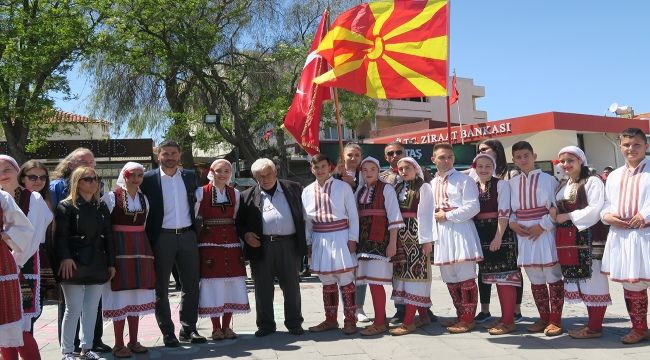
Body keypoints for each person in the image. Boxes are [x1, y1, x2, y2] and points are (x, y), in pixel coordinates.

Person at [139, 140, 205, 346]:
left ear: (179, 155)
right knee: (161, 288)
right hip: (161, 237)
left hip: (187, 236)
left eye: (173, 153)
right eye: (165, 153)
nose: (169, 157)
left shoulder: (190, 176)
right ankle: (168, 332)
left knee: (192, 284)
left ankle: (189, 328)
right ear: (158, 155)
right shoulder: (147, 179)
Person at [50, 148, 111, 353]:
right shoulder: (65, 207)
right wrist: (65, 258)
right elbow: (60, 237)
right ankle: (67, 350)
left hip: (96, 263)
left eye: (95, 178)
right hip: (73, 263)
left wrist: (111, 263)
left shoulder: (101, 207)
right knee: (73, 309)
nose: (92, 182)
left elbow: (108, 237)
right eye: (87, 179)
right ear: (77, 181)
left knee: (92, 309)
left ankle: (87, 347)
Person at [237, 158, 307, 337]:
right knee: (262, 287)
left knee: (291, 286)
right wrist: (246, 234)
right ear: (254, 178)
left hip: (289, 244)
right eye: (260, 176)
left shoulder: (293, 188)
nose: (265, 178)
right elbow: (239, 223)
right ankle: (265, 325)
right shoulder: (246, 196)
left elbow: (306, 215)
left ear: (275, 171)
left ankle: (294, 323)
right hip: (262, 246)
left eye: (268, 173)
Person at [550, 146, 611, 339]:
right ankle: (591, 325)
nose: (566, 164)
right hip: (568, 241)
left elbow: (595, 208)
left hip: (589, 238)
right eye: (563, 161)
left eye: (570, 160)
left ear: (580, 161)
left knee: (593, 281)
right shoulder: (563, 184)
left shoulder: (592, 181)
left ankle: (595, 327)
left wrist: (568, 215)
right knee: (583, 283)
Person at [600, 128, 650, 344]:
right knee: (633, 284)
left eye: (636, 144)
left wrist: (645, 213)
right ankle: (639, 328)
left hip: (647, 232)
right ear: (620, 146)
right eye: (626, 145)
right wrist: (607, 216)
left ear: (646, 146)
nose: (631, 149)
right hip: (623, 236)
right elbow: (606, 205)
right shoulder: (614, 175)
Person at [0, 156, 53, 360]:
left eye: (7, 170)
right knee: (5, 327)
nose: (3, 175)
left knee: (21, 327)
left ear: (18, 172)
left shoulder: (33, 199)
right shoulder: (2, 198)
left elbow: (31, 236)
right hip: (4, 267)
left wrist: (12, 264)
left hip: (25, 264)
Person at [101, 162, 156, 357]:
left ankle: (133, 341)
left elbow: (145, 223)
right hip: (119, 248)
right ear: (124, 175)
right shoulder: (110, 197)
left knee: (136, 295)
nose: (136, 178)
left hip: (140, 248)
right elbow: (105, 227)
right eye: (132, 174)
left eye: (140, 175)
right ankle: (118, 344)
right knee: (120, 297)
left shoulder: (144, 199)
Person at [509, 141, 563, 336]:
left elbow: (556, 208)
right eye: (518, 157)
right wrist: (513, 223)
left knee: (553, 277)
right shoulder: (511, 183)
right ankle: (543, 317)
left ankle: (556, 320)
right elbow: (509, 211)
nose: (523, 160)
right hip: (524, 235)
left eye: (526, 155)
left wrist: (543, 226)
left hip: (545, 234)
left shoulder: (549, 180)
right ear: (513, 160)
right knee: (535, 278)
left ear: (534, 156)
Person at [302, 154, 359, 335]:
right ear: (311, 169)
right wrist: (309, 242)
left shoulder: (343, 187)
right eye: (316, 167)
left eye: (323, 166)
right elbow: (307, 221)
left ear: (330, 168)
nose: (319, 170)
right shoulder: (307, 191)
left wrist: (352, 239)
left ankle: (350, 320)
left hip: (341, 236)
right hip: (319, 237)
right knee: (327, 280)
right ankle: (330, 319)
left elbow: (353, 215)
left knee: (346, 279)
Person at [378, 141, 435, 324]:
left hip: (417, 233)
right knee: (402, 273)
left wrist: (427, 240)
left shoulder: (423, 186)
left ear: (415, 168)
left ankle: (415, 317)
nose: (403, 171)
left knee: (416, 275)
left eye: (407, 168)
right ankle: (419, 315)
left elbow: (426, 214)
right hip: (401, 234)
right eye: (401, 169)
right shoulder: (397, 186)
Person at [469, 140, 524, 324]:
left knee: (505, 275)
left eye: (488, 166)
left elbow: (504, 212)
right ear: (475, 167)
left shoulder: (501, 184)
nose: (484, 169)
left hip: (500, 232)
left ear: (493, 166)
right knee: (484, 273)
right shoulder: (473, 185)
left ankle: (508, 317)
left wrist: (498, 237)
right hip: (480, 232)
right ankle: (488, 312)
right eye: (480, 166)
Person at [429, 143, 482, 334]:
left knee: (465, 274)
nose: (447, 160)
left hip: (460, 229)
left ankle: (468, 319)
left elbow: (473, 206)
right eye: (442, 157)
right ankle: (461, 314)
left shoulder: (464, 180)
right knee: (449, 276)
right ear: (433, 159)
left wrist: (448, 216)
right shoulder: (431, 184)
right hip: (441, 232)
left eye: (450, 156)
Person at [196, 159, 250, 340]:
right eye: (219, 170)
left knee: (231, 285)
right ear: (212, 171)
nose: (223, 174)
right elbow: (196, 214)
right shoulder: (201, 192)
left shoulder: (234, 193)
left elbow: (235, 216)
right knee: (214, 285)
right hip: (210, 242)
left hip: (231, 242)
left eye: (227, 171)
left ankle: (227, 326)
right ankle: (215, 327)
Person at [355, 157, 404, 336]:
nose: (368, 173)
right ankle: (379, 320)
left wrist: (392, 243)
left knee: (376, 283)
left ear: (378, 171)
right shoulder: (359, 190)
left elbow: (394, 216)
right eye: (365, 170)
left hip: (381, 242)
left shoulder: (387, 189)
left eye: (372, 169)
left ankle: (380, 322)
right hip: (363, 243)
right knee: (369, 281)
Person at [334, 143, 369, 323]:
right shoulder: (335, 176)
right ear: (343, 157)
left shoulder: (366, 173)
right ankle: (347, 307)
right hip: (341, 229)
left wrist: (353, 185)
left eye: (356, 155)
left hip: (363, 227)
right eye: (350, 155)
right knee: (345, 270)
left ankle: (359, 307)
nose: (353, 158)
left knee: (361, 269)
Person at [19, 161, 58, 304]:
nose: (38, 181)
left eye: (43, 177)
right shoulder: (24, 197)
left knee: (35, 304)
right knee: (26, 304)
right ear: (22, 178)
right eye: (33, 177)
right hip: (23, 253)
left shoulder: (42, 197)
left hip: (39, 252)